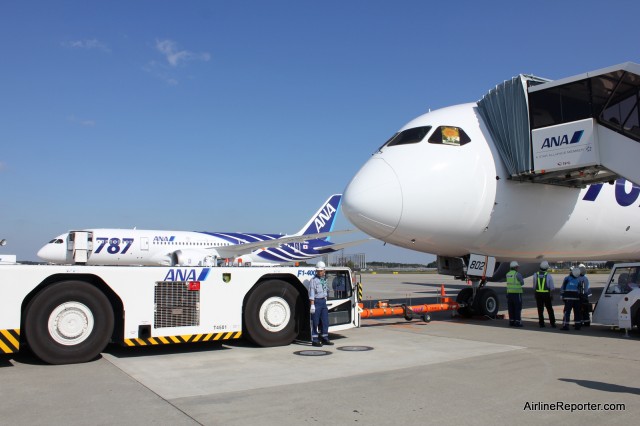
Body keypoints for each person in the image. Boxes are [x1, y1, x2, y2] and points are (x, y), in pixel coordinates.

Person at [309, 261, 333, 347]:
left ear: (324, 271)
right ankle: (315, 340)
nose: (319, 272)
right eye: (318, 271)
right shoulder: (313, 280)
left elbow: (326, 290)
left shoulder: (325, 280)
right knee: (315, 322)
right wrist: (312, 304)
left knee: (325, 321)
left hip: (323, 302)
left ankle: (325, 337)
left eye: (321, 271)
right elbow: (311, 292)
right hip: (316, 301)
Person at [533, 261, 556, 328]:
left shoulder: (535, 274)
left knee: (540, 309)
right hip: (546, 294)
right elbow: (552, 287)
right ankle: (552, 323)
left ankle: (541, 323)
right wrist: (551, 295)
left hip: (538, 294)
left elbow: (534, 286)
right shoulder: (548, 275)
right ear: (546, 268)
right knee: (549, 309)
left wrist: (535, 294)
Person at [506, 261, 525, 327]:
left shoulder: (507, 274)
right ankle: (517, 322)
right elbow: (522, 282)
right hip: (517, 294)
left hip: (509, 293)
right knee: (517, 308)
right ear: (515, 267)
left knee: (511, 308)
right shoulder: (517, 274)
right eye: (517, 267)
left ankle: (511, 321)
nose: (518, 268)